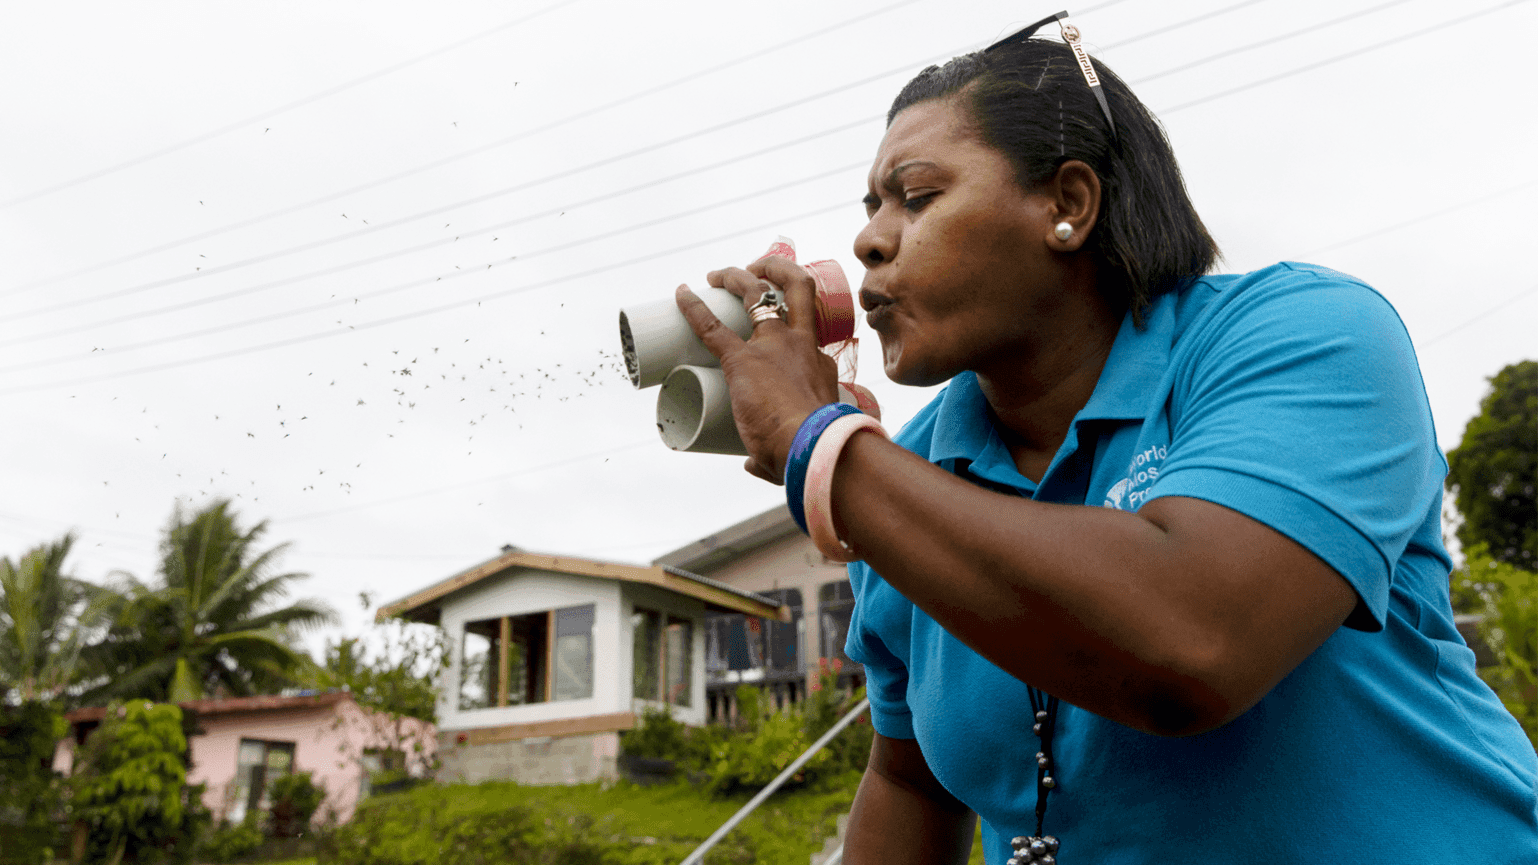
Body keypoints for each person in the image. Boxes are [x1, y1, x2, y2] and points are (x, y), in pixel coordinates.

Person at [674, 12, 1538, 864]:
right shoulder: (910, 474)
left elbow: (1195, 642)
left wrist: (818, 444)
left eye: (918, 195)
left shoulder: (1307, 335)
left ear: (1069, 203)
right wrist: (847, 461)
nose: (868, 238)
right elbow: (911, 781)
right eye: (869, 206)